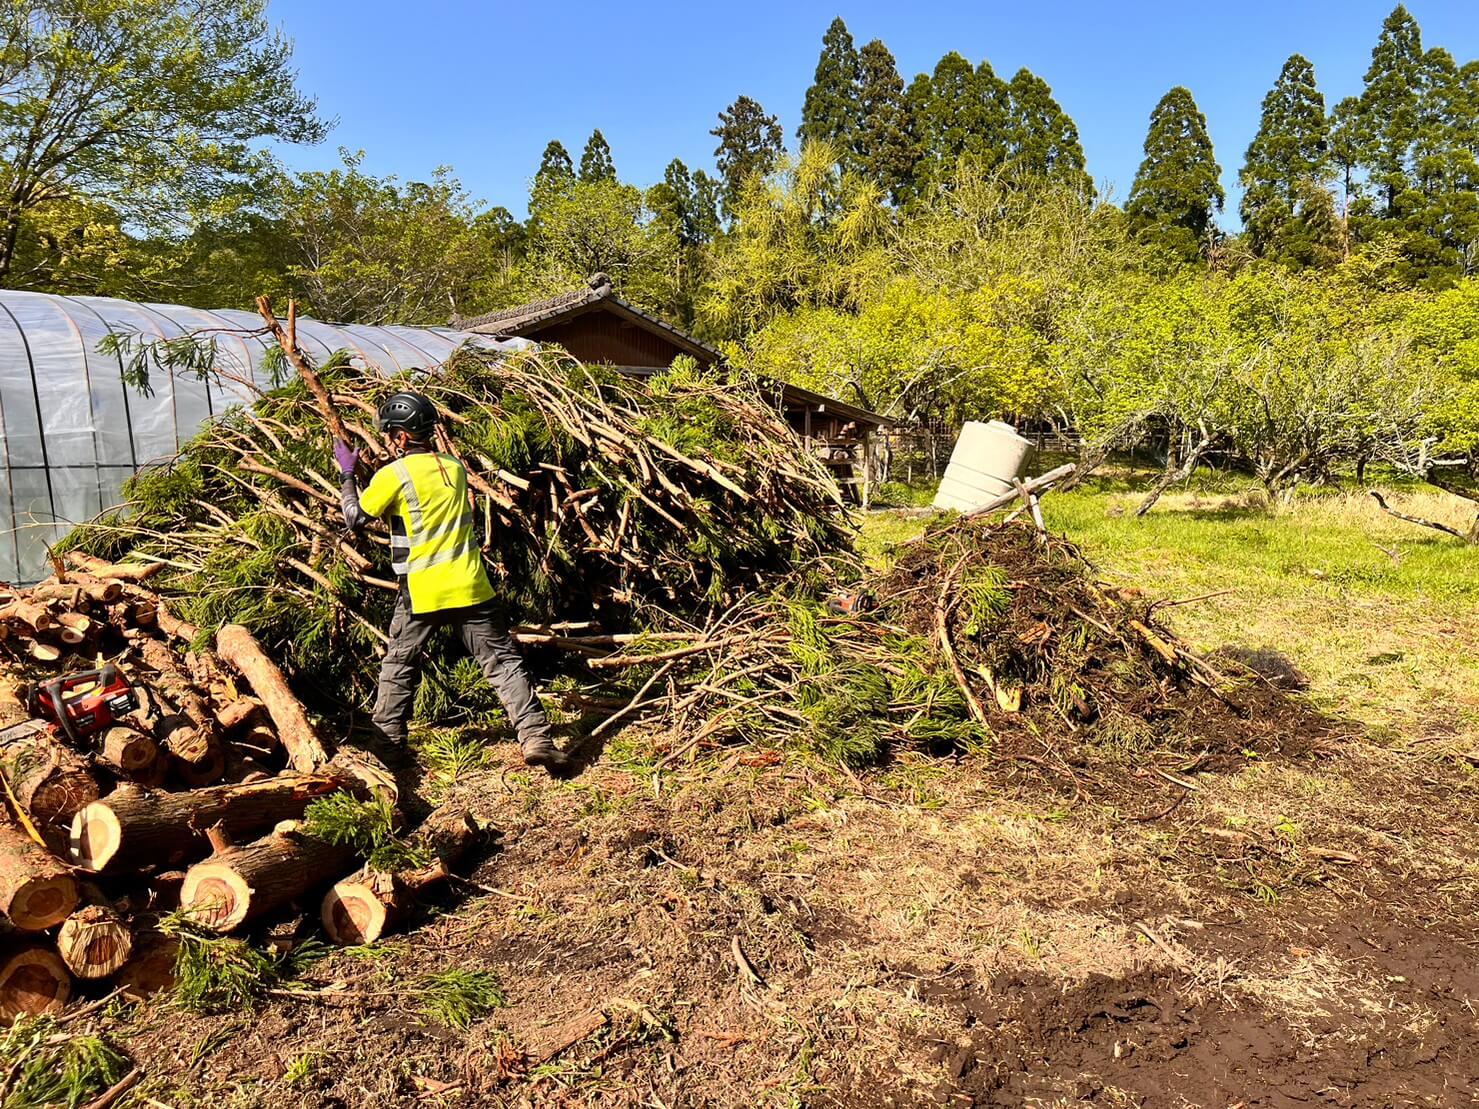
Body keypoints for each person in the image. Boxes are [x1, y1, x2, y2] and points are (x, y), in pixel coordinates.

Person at [333, 391, 571, 776]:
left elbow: (355, 518)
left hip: (424, 589)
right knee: (503, 664)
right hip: (472, 585)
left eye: (391, 433)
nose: (390, 440)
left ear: (402, 437)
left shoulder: (395, 475)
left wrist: (347, 473)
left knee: (399, 666)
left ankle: (386, 750)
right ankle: (536, 739)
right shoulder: (454, 468)